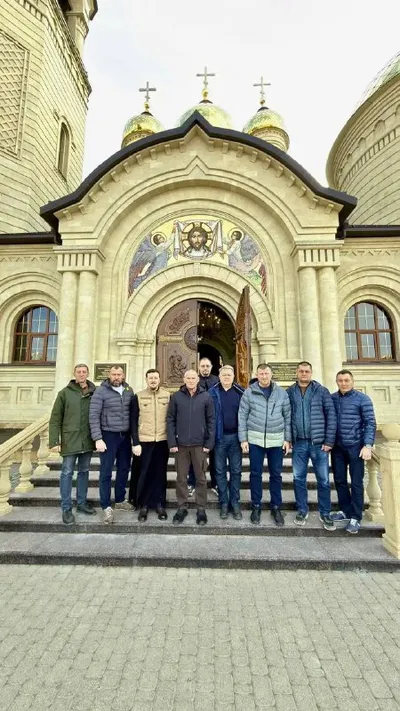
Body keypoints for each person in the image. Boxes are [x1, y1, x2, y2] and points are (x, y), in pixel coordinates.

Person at [238, 363, 291, 526]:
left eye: (266, 373)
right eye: (261, 374)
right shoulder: (249, 393)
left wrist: (287, 439)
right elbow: (242, 415)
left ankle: (276, 507)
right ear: (257, 375)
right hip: (255, 439)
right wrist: (243, 439)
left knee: (276, 474)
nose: (264, 376)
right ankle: (256, 506)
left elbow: (287, 417)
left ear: (271, 374)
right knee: (255, 474)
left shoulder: (281, 393)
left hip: (276, 439)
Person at [287, 361, 337, 531]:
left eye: (307, 371)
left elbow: (331, 416)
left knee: (323, 480)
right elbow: (287, 417)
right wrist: (289, 438)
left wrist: (329, 441)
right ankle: (302, 510)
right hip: (299, 443)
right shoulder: (290, 392)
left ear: (311, 373)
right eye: (301, 371)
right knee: (298, 478)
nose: (304, 374)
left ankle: (325, 513)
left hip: (319, 443)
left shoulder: (321, 391)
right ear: (297, 373)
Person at [49, 364, 96, 525]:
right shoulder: (64, 393)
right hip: (70, 440)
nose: (81, 374)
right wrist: (54, 441)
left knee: (84, 471)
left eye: (84, 372)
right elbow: (55, 419)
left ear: (88, 374)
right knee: (67, 473)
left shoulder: (94, 392)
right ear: (74, 374)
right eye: (79, 372)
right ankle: (66, 508)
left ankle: (81, 503)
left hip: (87, 440)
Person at [330, 369, 376, 534]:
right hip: (337, 447)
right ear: (337, 382)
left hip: (356, 447)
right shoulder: (332, 398)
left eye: (346, 380)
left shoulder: (362, 399)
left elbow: (370, 422)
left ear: (352, 381)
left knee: (356, 482)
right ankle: (345, 510)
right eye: (340, 380)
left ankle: (356, 516)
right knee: (339, 480)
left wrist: (368, 444)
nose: (343, 383)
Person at [167, 369, 215, 526]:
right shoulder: (176, 396)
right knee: (181, 478)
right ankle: (182, 507)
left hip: (199, 445)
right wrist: (172, 442)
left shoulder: (206, 396)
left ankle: (201, 508)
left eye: (193, 378)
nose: (191, 380)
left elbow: (211, 421)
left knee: (201, 478)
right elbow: (170, 419)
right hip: (180, 445)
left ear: (197, 379)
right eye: (188, 378)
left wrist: (208, 443)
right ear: (184, 379)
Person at [89, 365, 134, 524]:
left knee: (124, 468)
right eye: (114, 374)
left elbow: (132, 414)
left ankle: (120, 499)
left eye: (119, 374)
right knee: (106, 471)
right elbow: (93, 415)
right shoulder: (101, 391)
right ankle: (106, 505)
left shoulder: (128, 390)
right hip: (108, 436)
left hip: (125, 436)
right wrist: (97, 438)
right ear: (109, 375)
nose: (116, 377)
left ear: (123, 375)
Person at [130, 369, 170, 522]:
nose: (153, 380)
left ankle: (160, 504)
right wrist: (135, 442)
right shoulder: (138, 396)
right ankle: (144, 505)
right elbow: (133, 420)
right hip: (144, 441)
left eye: (155, 378)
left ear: (159, 379)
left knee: (160, 473)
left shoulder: (167, 396)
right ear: (146, 379)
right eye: (150, 378)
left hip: (162, 440)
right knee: (144, 473)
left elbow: (171, 419)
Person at [210, 365, 244, 519]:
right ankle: (224, 502)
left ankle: (234, 502)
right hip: (219, 438)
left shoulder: (241, 392)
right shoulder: (212, 392)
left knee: (236, 471)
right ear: (219, 376)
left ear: (233, 376)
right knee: (220, 471)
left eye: (229, 375)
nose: (226, 377)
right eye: (223, 375)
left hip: (236, 438)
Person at [187, 357, 219, 496]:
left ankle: (215, 483)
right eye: (203, 366)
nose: (205, 368)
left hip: (213, 425)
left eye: (207, 366)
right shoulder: (193, 381)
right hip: (197, 426)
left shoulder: (217, 381)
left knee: (215, 458)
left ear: (211, 367)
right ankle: (192, 482)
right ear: (199, 367)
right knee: (194, 457)